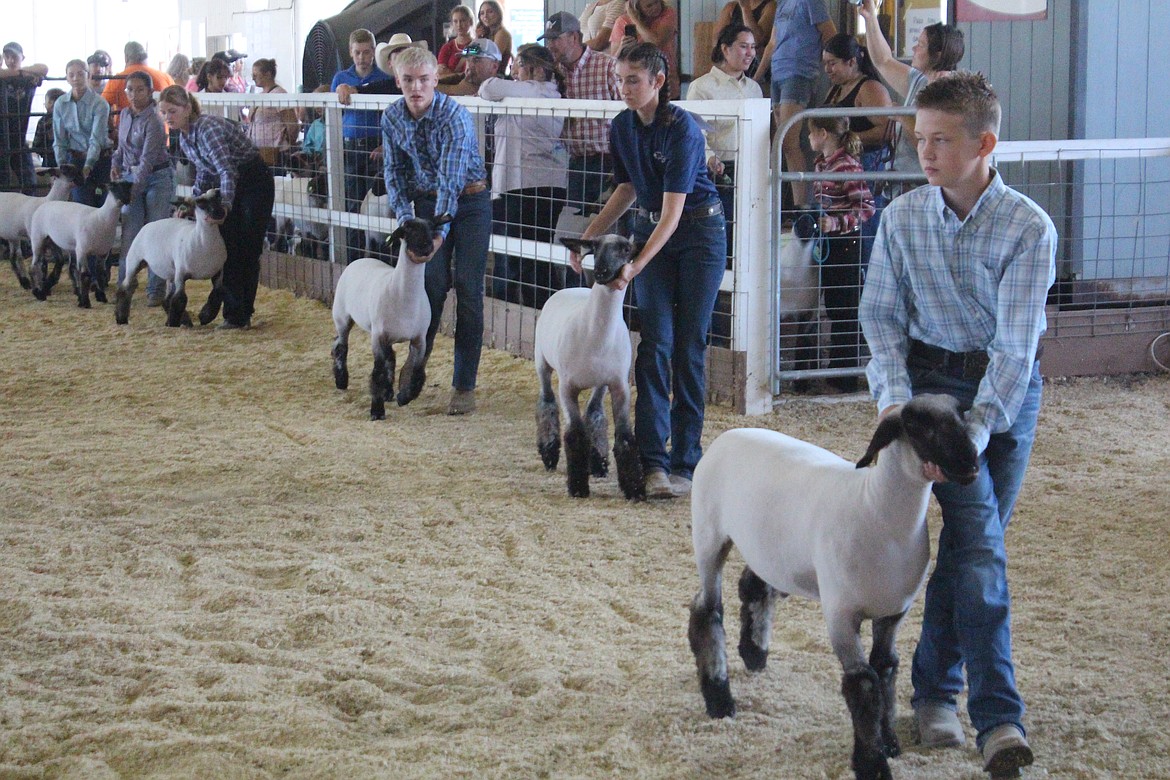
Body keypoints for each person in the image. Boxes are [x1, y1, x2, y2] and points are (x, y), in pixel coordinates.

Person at [858, 72, 1055, 778]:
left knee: (977, 542)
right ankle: (999, 719)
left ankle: (934, 692)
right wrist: (896, 404)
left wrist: (976, 430)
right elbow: (879, 318)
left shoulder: (1029, 228)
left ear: (985, 144)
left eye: (942, 140)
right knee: (978, 546)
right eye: (920, 139)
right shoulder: (903, 218)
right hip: (929, 390)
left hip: (1006, 394)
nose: (927, 153)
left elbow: (1014, 348)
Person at [568, 43, 725, 500]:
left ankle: (686, 462)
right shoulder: (621, 126)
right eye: (620, 80)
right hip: (653, 229)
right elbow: (627, 187)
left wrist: (635, 264)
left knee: (690, 344)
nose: (624, 88)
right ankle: (654, 461)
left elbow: (673, 214)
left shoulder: (683, 131)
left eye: (633, 80)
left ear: (659, 81)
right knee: (656, 340)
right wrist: (590, 236)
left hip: (697, 233)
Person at [381, 45, 491, 415]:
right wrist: (404, 222)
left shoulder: (454, 117)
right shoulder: (392, 117)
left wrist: (437, 235)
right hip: (428, 202)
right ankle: (417, 363)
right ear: (397, 81)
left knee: (469, 288)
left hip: (470, 201)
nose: (416, 88)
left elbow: (451, 178)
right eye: (408, 80)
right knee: (431, 286)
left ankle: (464, 385)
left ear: (435, 80)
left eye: (424, 80)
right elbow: (393, 174)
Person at [158, 85, 275, 329]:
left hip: (253, 182)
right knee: (226, 247)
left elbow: (226, 169)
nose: (168, 116)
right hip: (233, 183)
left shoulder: (207, 129)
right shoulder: (185, 137)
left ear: (187, 108)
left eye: (173, 110)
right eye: (164, 112)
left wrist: (224, 207)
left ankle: (238, 314)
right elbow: (204, 171)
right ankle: (230, 307)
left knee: (246, 247)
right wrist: (192, 203)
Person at [479, 43, 568, 308]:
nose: (513, 70)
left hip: (528, 184)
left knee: (527, 257)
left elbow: (488, 87)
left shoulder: (535, 91)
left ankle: (538, 310)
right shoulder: (545, 93)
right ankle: (540, 310)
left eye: (518, 64)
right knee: (531, 255)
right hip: (532, 183)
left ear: (536, 69)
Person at [540, 11, 621, 287]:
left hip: (607, 164)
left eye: (555, 39)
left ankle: (608, 303)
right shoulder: (553, 75)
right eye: (548, 40)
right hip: (575, 164)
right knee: (572, 238)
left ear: (574, 37)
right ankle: (577, 302)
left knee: (608, 236)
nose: (550, 45)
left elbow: (626, 115)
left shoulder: (607, 67)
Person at [856, 0, 963, 182]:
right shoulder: (920, 80)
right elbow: (884, 60)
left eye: (920, 45)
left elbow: (933, 147)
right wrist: (870, 18)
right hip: (905, 179)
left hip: (924, 183)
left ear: (937, 54)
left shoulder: (950, 92)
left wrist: (904, 118)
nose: (914, 48)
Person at [807, 114, 874, 393]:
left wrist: (836, 222)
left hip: (846, 242)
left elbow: (867, 207)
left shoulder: (846, 166)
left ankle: (845, 376)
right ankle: (838, 370)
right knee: (836, 303)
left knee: (845, 306)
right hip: (831, 243)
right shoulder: (824, 163)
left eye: (810, 133)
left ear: (822, 133)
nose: (808, 139)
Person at [686, 23, 762, 261]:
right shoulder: (702, 87)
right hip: (719, 172)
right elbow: (696, 133)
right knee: (722, 232)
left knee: (751, 233)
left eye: (753, 47)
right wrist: (710, 158)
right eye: (743, 46)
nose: (749, 53)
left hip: (751, 169)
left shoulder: (754, 88)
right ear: (725, 49)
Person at [754, 0, 835, 207]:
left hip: (799, 73)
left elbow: (829, 33)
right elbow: (772, 43)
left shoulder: (809, 3)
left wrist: (824, 65)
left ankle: (802, 204)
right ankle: (791, 203)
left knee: (789, 139)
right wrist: (756, 78)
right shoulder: (782, 5)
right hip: (778, 73)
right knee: (783, 142)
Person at [111, 71, 174, 306]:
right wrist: (115, 164)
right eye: (130, 90)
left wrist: (129, 192)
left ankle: (155, 290)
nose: (134, 95)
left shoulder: (155, 120)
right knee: (130, 232)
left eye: (139, 90)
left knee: (155, 231)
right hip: (132, 176)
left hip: (156, 176)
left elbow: (147, 161)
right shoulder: (125, 115)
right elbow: (121, 148)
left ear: (150, 92)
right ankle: (125, 285)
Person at [332, 28, 394, 261]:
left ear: (373, 52)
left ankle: (381, 262)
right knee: (352, 203)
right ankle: (354, 262)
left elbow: (391, 115)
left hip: (376, 146)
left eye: (366, 52)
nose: (361, 58)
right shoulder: (341, 78)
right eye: (357, 52)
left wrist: (386, 144)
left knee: (380, 205)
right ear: (351, 52)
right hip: (350, 145)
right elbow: (332, 114)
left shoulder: (384, 78)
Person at [53, 59, 113, 288]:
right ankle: (84, 273)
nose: (76, 78)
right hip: (74, 161)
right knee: (80, 214)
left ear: (88, 75)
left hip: (99, 161)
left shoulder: (99, 104)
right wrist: (63, 169)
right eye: (72, 74)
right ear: (67, 77)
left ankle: (102, 272)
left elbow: (96, 139)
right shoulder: (61, 104)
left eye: (81, 73)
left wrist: (88, 167)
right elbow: (59, 139)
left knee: (102, 213)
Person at [0, 41, 47, 194]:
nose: (10, 60)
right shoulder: (8, 77)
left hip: (18, 139)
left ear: (22, 57)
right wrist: (20, 73)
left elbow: (43, 68)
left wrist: (24, 73)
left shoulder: (27, 77)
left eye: (14, 56)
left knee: (30, 182)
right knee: (3, 183)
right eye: (7, 56)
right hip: (2, 138)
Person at [608, 0, 679, 99]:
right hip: (635, 84)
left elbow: (655, 43)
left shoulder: (667, 13)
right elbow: (613, 61)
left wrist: (634, 19)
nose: (655, 7)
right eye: (649, 6)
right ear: (638, 8)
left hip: (665, 80)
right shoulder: (622, 22)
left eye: (657, 2)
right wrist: (622, 48)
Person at [246, 58, 299, 168]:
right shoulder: (260, 96)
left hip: (276, 152)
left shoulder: (279, 94)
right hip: (258, 151)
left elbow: (292, 123)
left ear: (268, 74)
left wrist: (288, 143)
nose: (253, 78)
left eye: (256, 74)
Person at [102, 41, 175, 118]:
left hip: (126, 127)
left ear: (126, 58)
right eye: (130, 89)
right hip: (162, 127)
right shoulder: (165, 77)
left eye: (140, 90)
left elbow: (102, 106)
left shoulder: (116, 80)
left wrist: (112, 127)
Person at [713, 0, 775, 77]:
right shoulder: (731, 7)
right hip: (731, 63)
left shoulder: (770, 6)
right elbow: (718, 40)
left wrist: (745, 8)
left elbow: (756, 40)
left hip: (756, 67)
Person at [436, 37, 501, 97]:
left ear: (494, 66)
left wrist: (457, 90)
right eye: (468, 60)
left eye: (476, 60)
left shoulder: (501, 88)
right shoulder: (461, 79)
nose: (469, 65)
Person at [437, 6, 475, 80]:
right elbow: (441, 74)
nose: (459, 25)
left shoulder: (476, 45)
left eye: (463, 20)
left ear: (470, 22)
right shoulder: (447, 47)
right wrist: (460, 75)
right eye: (455, 21)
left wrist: (450, 73)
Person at [476, 0, 513, 75]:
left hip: (496, 77)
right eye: (482, 13)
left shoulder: (502, 33)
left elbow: (491, 59)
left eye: (490, 12)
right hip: (482, 75)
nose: (485, 16)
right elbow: (468, 53)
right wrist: (477, 38)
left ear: (498, 13)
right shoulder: (486, 34)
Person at [32, 88, 65, 169]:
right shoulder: (69, 119)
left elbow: (36, 144)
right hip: (67, 158)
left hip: (49, 158)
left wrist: (41, 152)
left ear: (50, 103)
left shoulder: (43, 121)